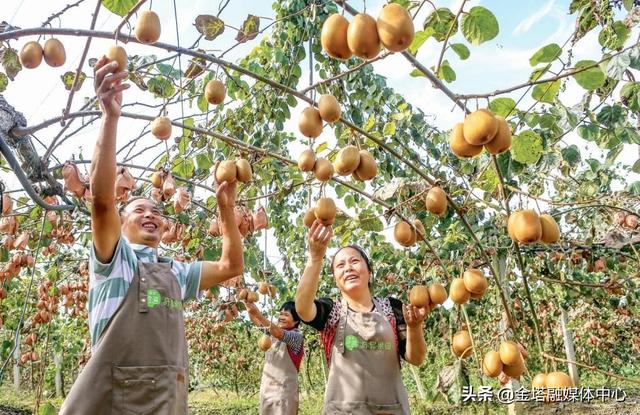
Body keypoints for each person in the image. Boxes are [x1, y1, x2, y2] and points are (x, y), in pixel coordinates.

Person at [59, 56, 244, 414]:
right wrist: (110, 118)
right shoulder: (114, 260)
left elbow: (231, 265)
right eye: (138, 210)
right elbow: (100, 202)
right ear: (121, 222)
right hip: (114, 400)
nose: (150, 215)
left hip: (167, 400)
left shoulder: (176, 272)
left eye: (156, 212)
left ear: (163, 227)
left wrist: (225, 210)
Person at [295, 221, 430, 414]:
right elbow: (302, 309)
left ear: (369, 270)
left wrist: (415, 327)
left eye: (354, 261)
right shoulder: (330, 311)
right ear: (335, 278)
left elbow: (416, 359)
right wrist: (315, 258)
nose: (348, 268)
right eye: (340, 265)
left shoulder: (392, 308)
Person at [245, 300, 304, 415]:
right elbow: (256, 320)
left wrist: (258, 313)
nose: (281, 317)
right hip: (267, 392)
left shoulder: (297, 337)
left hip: (284, 395)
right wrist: (247, 301)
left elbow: (279, 333)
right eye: (280, 313)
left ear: (296, 320)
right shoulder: (271, 333)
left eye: (286, 315)